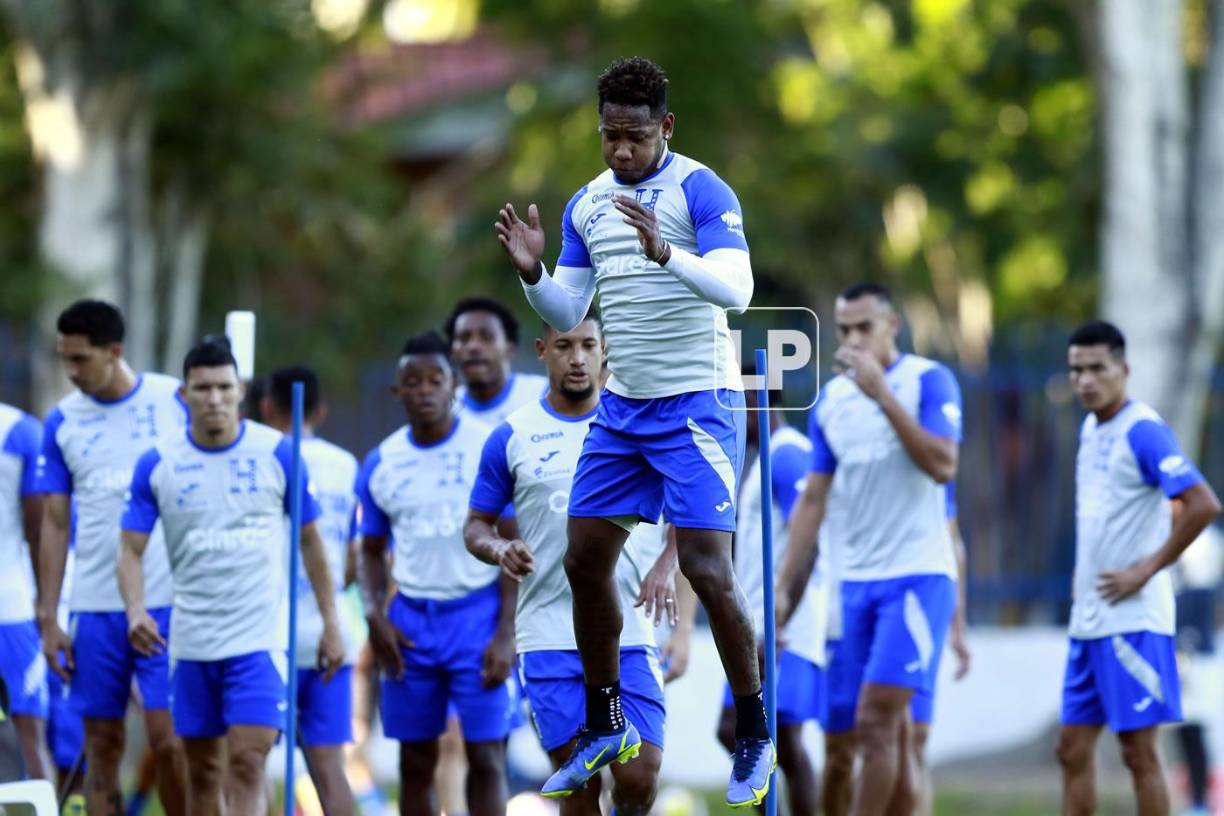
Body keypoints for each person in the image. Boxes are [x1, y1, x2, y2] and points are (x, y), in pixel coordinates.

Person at [496, 55, 772, 807]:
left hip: (699, 402)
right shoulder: (587, 204)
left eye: (635, 137)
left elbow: (739, 293)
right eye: (610, 136)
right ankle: (606, 717)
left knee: (710, 573)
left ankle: (754, 730)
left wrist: (664, 252)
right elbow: (566, 311)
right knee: (586, 559)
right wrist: (532, 275)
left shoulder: (699, 190)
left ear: (666, 128)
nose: (621, 151)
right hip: (624, 409)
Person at [117, 338, 345, 816]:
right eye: (203, 389)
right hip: (192, 644)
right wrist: (136, 609)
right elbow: (129, 550)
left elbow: (312, 544)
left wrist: (332, 623)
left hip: (257, 644)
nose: (215, 399)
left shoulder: (278, 454)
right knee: (201, 771)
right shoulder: (158, 462)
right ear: (184, 395)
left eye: (224, 387)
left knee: (246, 761)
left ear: (240, 389)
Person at [465, 311, 677, 815]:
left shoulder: (641, 426)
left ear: (605, 352)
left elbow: (693, 511)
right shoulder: (512, 436)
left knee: (639, 776)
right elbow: (475, 525)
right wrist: (498, 548)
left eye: (588, 345)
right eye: (564, 347)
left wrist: (667, 563)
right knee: (579, 789)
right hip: (548, 637)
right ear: (542, 352)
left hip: (629, 631)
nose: (577, 358)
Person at [776, 282, 962, 816]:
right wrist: (787, 587)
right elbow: (813, 499)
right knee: (876, 738)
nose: (854, 339)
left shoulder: (929, 380)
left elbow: (943, 464)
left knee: (876, 723)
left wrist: (882, 395)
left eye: (865, 327)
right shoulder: (831, 401)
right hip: (853, 586)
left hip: (917, 577)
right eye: (844, 330)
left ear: (892, 326)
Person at [1055, 320, 1221, 816]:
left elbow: (1202, 504)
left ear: (1123, 370)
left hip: (1133, 621)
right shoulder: (1090, 428)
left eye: (1097, 368)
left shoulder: (1142, 430)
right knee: (1070, 750)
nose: (1086, 379)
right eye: (1076, 369)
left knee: (1138, 753)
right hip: (1089, 620)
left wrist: (1145, 571)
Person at [35, 299, 187, 815]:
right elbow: (55, 524)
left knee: (171, 741)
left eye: (80, 359)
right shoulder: (61, 422)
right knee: (101, 747)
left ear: (114, 351)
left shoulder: (175, 400)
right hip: (95, 607)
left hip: (166, 603)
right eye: (65, 360)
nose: (71, 372)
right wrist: (48, 614)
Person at [357, 331, 516, 816]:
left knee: (486, 754)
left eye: (435, 380)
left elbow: (511, 543)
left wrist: (506, 632)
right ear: (397, 392)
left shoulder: (485, 448)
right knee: (415, 759)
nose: (424, 390)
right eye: (413, 381)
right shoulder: (382, 461)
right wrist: (373, 614)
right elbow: (369, 551)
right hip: (410, 622)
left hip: (477, 616)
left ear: (453, 386)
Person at [716, 381, 826, 816]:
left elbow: (810, 542)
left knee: (783, 735)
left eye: (735, 404)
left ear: (759, 403)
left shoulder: (788, 454)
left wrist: (781, 620)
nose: (729, 415)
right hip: (760, 623)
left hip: (785, 626)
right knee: (740, 731)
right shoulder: (762, 461)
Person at [261, 366, 358, 816]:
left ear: (265, 407)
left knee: (250, 759)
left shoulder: (261, 457)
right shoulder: (346, 464)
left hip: (267, 634)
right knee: (327, 764)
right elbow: (353, 558)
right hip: (330, 632)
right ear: (320, 410)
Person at [901, 479, 972, 816]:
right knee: (871, 735)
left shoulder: (932, 461)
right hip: (864, 598)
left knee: (915, 736)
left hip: (919, 601)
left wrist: (958, 626)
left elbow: (952, 542)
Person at [0, 401, 50, 779]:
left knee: (26, 736)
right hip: (12, 611)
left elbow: (40, 531)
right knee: (27, 734)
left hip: (10, 612)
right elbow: (39, 532)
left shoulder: (20, 430)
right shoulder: (20, 428)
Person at [447, 296, 549, 425]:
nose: (473, 347)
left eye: (486, 337)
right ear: (452, 351)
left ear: (510, 348)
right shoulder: (445, 408)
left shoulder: (543, 394)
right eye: (464, 338)